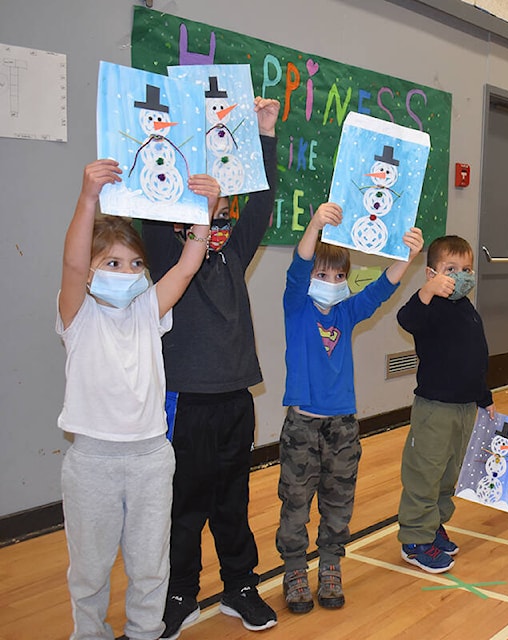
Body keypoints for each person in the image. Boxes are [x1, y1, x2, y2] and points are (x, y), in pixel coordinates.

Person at [57, 160, 215, 640]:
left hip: (149, 457)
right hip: (92, 461)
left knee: (151, 563)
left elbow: (188, 265)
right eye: (111, 263)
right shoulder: (77, 314)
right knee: (90, 569)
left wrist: (203, 211)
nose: (126, 272)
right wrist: (88, 199)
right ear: (89, 273)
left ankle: (146, 632)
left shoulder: (149, 310)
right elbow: (72, 262)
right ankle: (89, 633)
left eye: (136, 263)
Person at [141, 97, 281, 637]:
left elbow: (262, 205)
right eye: (207, 213)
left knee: (233, 498)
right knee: (184, 505)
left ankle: (239, 586)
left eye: (223, 214)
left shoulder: (233, 256)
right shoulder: (164, 257)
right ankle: (180, 594)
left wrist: (265, 135)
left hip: (234, 400)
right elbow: (157, 213)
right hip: (185, 402)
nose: (218, 221)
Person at [276, 203, 423, 612]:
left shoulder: (346, 310)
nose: (332, 281)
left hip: (342, 426)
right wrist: (315, 224)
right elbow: (298, 266)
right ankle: (293, 570)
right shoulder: (298, 307)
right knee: (296, 501)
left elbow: (379, 291)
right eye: (322, 275)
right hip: (303, 424)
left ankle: (329, 567)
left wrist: (406, 256)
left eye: (339, 276)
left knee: (339, 501)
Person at [396, 235, 494, 573]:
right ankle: (414, 539)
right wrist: (426, 293)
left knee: (449, 474)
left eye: (466, 268)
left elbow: (475, 358)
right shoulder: (429, 307)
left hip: (466, 407)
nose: (461, 275)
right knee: (425, 472)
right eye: (451, 269)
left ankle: (433, 525)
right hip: (435, 408)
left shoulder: (466, 308)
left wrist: (485, 398)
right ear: (430, 274)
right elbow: (407, 319)